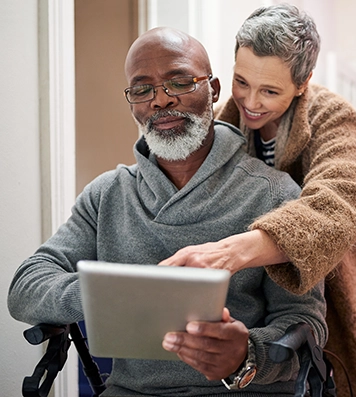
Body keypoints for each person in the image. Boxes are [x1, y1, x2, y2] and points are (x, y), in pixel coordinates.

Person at [8, 27, 327, 397]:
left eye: (179, 82)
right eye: (142, 89)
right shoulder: (108, 194)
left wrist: (247, 356)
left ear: (214, 90)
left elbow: (305, 323)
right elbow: (26, 287)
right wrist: (113, 294)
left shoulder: (274, 193)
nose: (160, 101)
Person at [158, 4, 356, 397]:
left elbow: (339, 201)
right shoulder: (223, 123)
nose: (251, 101)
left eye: (270, 90)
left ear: (302, 84)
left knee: (354, 381)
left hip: (348, 280)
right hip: (278, 298)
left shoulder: (333, 117)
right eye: (241, 81)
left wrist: (233, 252)